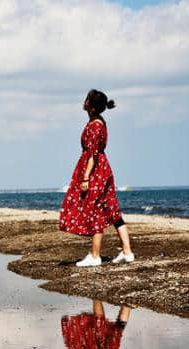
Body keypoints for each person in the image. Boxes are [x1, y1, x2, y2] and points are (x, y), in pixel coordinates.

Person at [59, 89, 134, 267]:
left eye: (86, 100)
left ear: (91, 107)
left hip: (95, 171)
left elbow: (92, 154)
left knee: (96, 211)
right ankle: (127, 252)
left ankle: (95, 256)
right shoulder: (98, 121)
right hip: (102, 169)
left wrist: (85, 178)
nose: (83, 102)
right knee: (112, 211)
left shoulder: (95, 125)